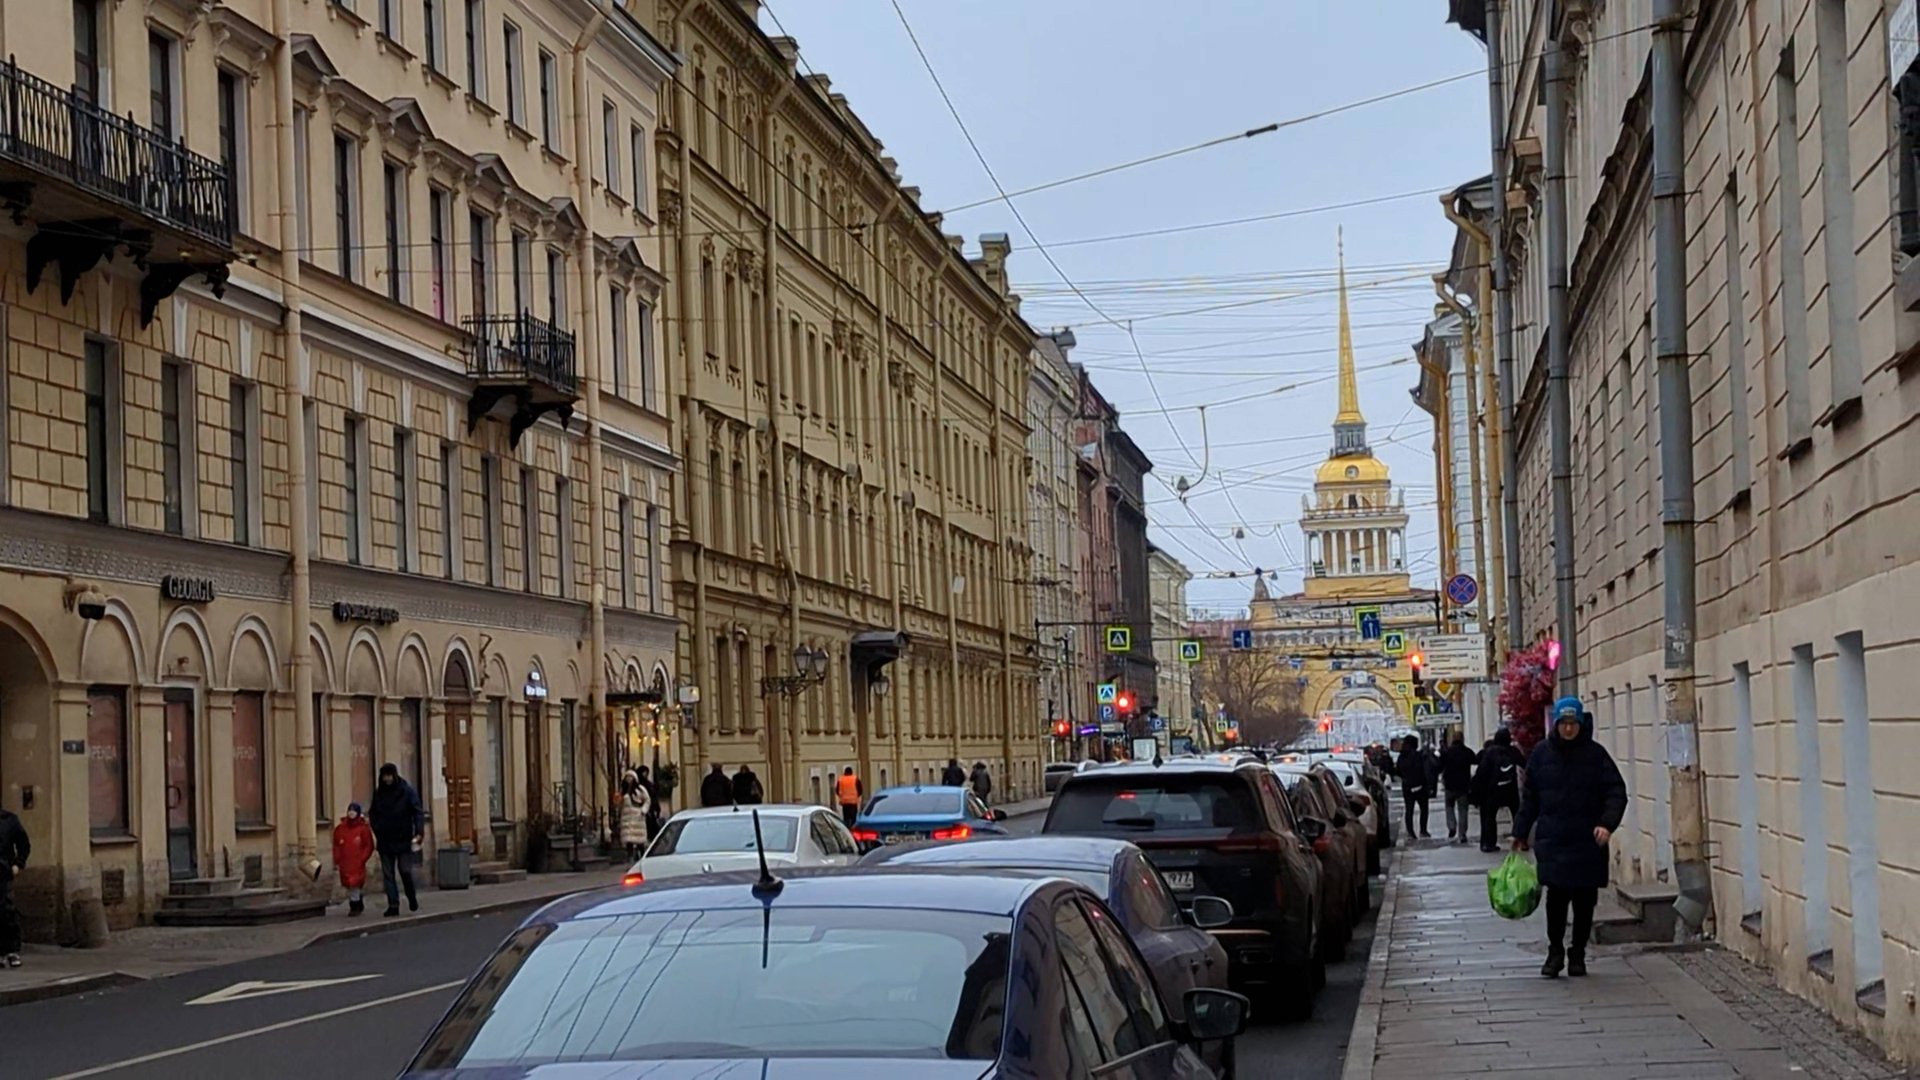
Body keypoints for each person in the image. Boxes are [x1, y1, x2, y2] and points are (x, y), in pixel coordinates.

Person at [1513, 697, 1627, 978]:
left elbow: (1616, 792)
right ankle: (1555, 952)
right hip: (1553, 839)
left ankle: (1578, 953)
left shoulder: (1596, 755)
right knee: (1556, 899)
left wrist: (1606, 824)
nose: (1568, 729)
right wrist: (1520, 832)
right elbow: (1530, 798)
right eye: (1563, 724)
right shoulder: (1541, 754)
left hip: (1588, 839)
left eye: (1572, 723)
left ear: (1581, 723)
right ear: (1556, 725)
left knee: (1585, 900)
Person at [368, 763, 423, 918]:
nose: (387, 779)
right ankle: (393, 905)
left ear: (395, 775)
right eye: (385, 776)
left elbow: (417, 812)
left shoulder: (406, 791)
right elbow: (373, 813)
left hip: (403, 838)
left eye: (389, 775)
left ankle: (411, 897)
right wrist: (377, 829)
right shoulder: (379, 793)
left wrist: (419, 832)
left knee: (405, 871)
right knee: (388, 875)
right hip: (385, 840)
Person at [1473, 728, 1524, 852]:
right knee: (1517, 814)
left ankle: (1488, 843)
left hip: (1492, 791)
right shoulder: (1513, 751)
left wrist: (1477, 790)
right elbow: (1525, 764)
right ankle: (1521, 840)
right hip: (1510, 789)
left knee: (1488, 817)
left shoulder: (1489, 752)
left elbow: (1482, 772)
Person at [330, 802, 374, 916]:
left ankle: (355, 906)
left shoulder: (363, 829)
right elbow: (336, 845)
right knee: (348, 884)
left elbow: (368, 845)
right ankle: (357, 901)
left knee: (355, 882)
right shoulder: (341, 828)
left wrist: (362, 859)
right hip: (345, 861)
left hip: (357, 862)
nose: (351, 813)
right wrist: (337, 859)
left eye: (354, 811)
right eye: (350, 810)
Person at [0, 802, 29, 968]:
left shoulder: (10, 821)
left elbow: (24, 844)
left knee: (6, 911)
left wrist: (18, 864)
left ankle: (12, 951)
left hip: (3, 873)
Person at [1440, 734, 1477, 843]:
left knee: (1449, 807)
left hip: (1449, 785)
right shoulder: (1467, 752)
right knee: (1463, 810)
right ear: (1463, 739)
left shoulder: (1447, 752)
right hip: (1463, 786)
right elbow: (1475, 760)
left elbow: (1440, 764)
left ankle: (1451, 826)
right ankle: (1462, 834)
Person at [1396, 733, 1432, 839]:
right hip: (1420, 786)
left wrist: (1405, 778)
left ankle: (1410, 832)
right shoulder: (1418, 756)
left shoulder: (1401, 756)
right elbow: (1424, 770)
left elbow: (1398, 771)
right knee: (1424, 809)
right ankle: (1423, 830)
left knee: (1409, 810)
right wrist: (1426, 784)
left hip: (1407, 786)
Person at [618, 770, 652, 862]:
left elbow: (647, 800)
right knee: (628, 839)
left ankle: (641, 855)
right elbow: (618, 804)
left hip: (638, 818)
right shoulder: (623, 791)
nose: (629, 779)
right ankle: (630, 857)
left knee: (639, 839)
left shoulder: (640, 789)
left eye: (631, 777)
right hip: (627, 819)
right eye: (627, 777)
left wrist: (643, 810)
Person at [634, 765, 663, 838]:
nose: (645, 774)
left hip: (650, 809)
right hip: (641, 810)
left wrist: (657, 807)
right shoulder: (638, 786)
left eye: (646, 772)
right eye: (644, 772)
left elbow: (653, 797)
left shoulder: (649, 784)